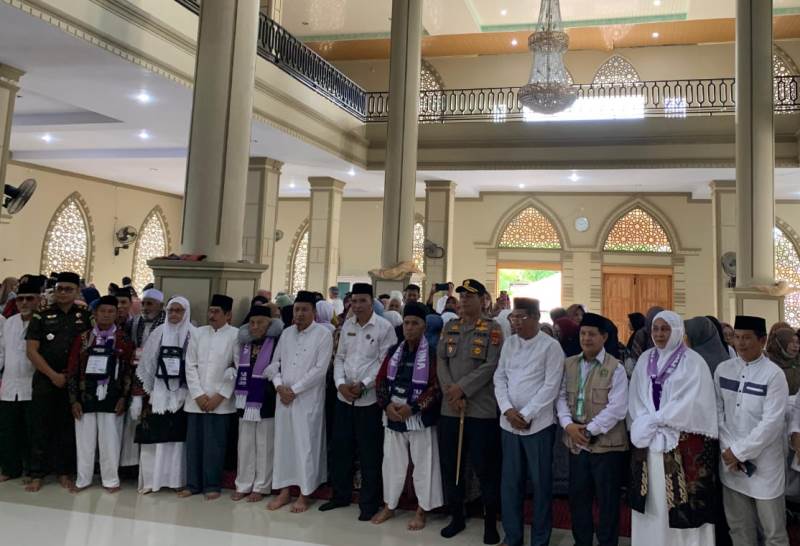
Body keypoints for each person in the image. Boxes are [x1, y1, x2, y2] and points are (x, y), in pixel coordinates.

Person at [628, 310, 718, 546]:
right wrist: (648, 422)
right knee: (653, 499)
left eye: (665, 329)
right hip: (649, 440)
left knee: (684, 505)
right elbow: (636, 395)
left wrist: (663, 419)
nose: (659, 334)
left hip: (681, 439)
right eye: (655, 329)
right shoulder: (645, 359)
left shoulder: (693, 362)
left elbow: (694, 401)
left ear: (677, 331)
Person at [320, 283, 397, 520]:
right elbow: (340, 357)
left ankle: (369, 503)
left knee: (369, 453)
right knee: (340, 449)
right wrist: (340, 384)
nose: (358, 305)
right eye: (354, 301)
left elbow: (384, 363)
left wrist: (364, 384)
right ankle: (340, 496)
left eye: (363, 300)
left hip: (370, 401)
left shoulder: (384, 327)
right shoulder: (347, 326)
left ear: (372, 302)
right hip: (344, 398)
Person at [437, 279, 503, 543]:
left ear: (483, 300)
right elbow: (441, 360)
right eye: (462, 296)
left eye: (470, 296)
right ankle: (456, 516)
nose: (464, 300)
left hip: (480, 410)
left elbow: (491, 364)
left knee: (486, 468)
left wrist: (462, 389)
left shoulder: (492, 328)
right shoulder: (450, 327)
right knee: (452, 466)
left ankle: (490, 522)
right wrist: (451, 391)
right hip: (450, 408)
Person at [715, 315, 790, 546]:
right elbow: (718, 413)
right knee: (739, 529)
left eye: (747, 338)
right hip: (730, 463)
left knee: (773, 533)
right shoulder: (723, 369)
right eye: (737, 337)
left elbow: (772, 423)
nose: (740, 343)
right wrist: (729, 450)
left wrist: (739, 452)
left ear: (763, 340)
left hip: (765, 465)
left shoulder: (774, 375)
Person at [494, 298, 563, 546]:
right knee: (510, 484)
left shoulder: (551, 347)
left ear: (535, 317)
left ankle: (540, 540)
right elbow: (500, 378)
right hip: (509, 425)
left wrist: (526, 414)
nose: (515, 322)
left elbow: (551, 386)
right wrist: (507, 410)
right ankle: (512, 537)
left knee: (541, 485)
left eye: (521, 317)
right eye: (513, 317)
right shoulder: (510, 343)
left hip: (538, 426)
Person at [556, 313, 628, 546]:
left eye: (592, 334)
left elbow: (617, 408)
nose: (586, 338)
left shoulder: (615, 368)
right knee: (578, 498)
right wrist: (568, 425)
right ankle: (582, 542)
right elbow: (560, 397)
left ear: (604, 337)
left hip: (606, 445)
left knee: (607, 501)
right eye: (583, 333)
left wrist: (589, 431)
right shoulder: (569, 364)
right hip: (576, 443)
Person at [372, 302, 443, 530]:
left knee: (424, 465)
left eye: (415, 323)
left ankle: (422, 510)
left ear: (424, 327)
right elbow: (381, 380)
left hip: (419, 418)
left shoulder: (432, 353)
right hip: (393, 415)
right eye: (406, 323)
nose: (409, 327)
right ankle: (389, 505)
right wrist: (386, 406)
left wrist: (413, 408)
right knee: (391, 464)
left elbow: (435, 388)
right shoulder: (394, 351)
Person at [266, 291, 333, 513]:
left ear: (314, 312)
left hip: (307, 400)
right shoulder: (286, 333)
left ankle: (305, 493)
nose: (300, 314)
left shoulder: (323, 335)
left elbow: (320, 370)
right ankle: (284, 491)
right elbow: (274, 364)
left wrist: (294, 390)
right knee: (283, 444)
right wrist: (279, 386)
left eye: (305, 310)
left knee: (306, 445)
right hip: (283, 399)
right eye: (297, 309)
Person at [26, 271, 93, 492]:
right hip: (46, 379)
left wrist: (72, 377)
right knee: (40, 426)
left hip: (73, 382)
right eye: (60, 289)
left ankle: (64, 472)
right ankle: (37, 473)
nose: (63, 293)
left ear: (77, 291)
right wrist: (53, 375)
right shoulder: (41, 315)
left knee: (67, 427)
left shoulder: (85, 316)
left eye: (68, 289)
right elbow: (31, 350)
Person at [67, 295, 134, 492]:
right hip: (85, 396)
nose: (106, 315)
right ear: (95, 314)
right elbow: (72, 369)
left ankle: (110, 480)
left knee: (110, 441)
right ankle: (83, 479)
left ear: (117, 314)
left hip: (112, 397)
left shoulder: (123, 339)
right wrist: (73, 400)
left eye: (111, 311)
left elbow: (129, 371)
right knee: (84, 441)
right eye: (102, 311)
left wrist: (124, 398)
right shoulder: (83, 338)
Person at [179, 294, 238, 500]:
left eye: (216, 312)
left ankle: (212, 485)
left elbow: (236, 368)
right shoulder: (198, 333)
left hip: (220, 402)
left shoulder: (235, 335)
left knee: (215, 445)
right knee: (194, 444)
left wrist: (220, 396)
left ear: (228, 315)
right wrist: (198, 394)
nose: (211, 315)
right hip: (196, 400)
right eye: (210, 311)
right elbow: (190, 365)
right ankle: (193, 484)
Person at [135, 296, 195, 494]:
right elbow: (147, 362)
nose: (174, 314)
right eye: (171, 310)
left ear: (186, 312)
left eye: (178, 310)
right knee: (155, 438)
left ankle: (176, 481)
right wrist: (149, 392)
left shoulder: (193, 334)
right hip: (158, 393)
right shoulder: (159, 332)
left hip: (183, 393)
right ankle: (151, 481)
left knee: (176, 440)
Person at [232, 306, 282, 502]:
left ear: (269, 324)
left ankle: (261, 486)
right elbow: (236, 363)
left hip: (266, 397)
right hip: (244, 397)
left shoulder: (277, 342)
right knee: (244, 443)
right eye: (252, 322)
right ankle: (243, 484)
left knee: (264, 443)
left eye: (260, 322)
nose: (254, 327)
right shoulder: (244, 343)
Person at [0, 277, 42, 482]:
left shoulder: (42, 322)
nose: (24, 303)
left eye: (29, 299)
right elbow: (2, 352)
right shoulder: (9, 323)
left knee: (31, 432)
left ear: (38, 300)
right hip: (9, 385)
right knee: (8, 430)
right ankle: (10, 469)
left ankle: (33, 471)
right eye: (20, 299)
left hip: (33, 386)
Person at [766, 326, 800, 395]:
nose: (796, 345)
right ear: (781, 342)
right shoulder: (767, 361)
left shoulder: (798, 360)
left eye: (797, 342)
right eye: (791, 342)